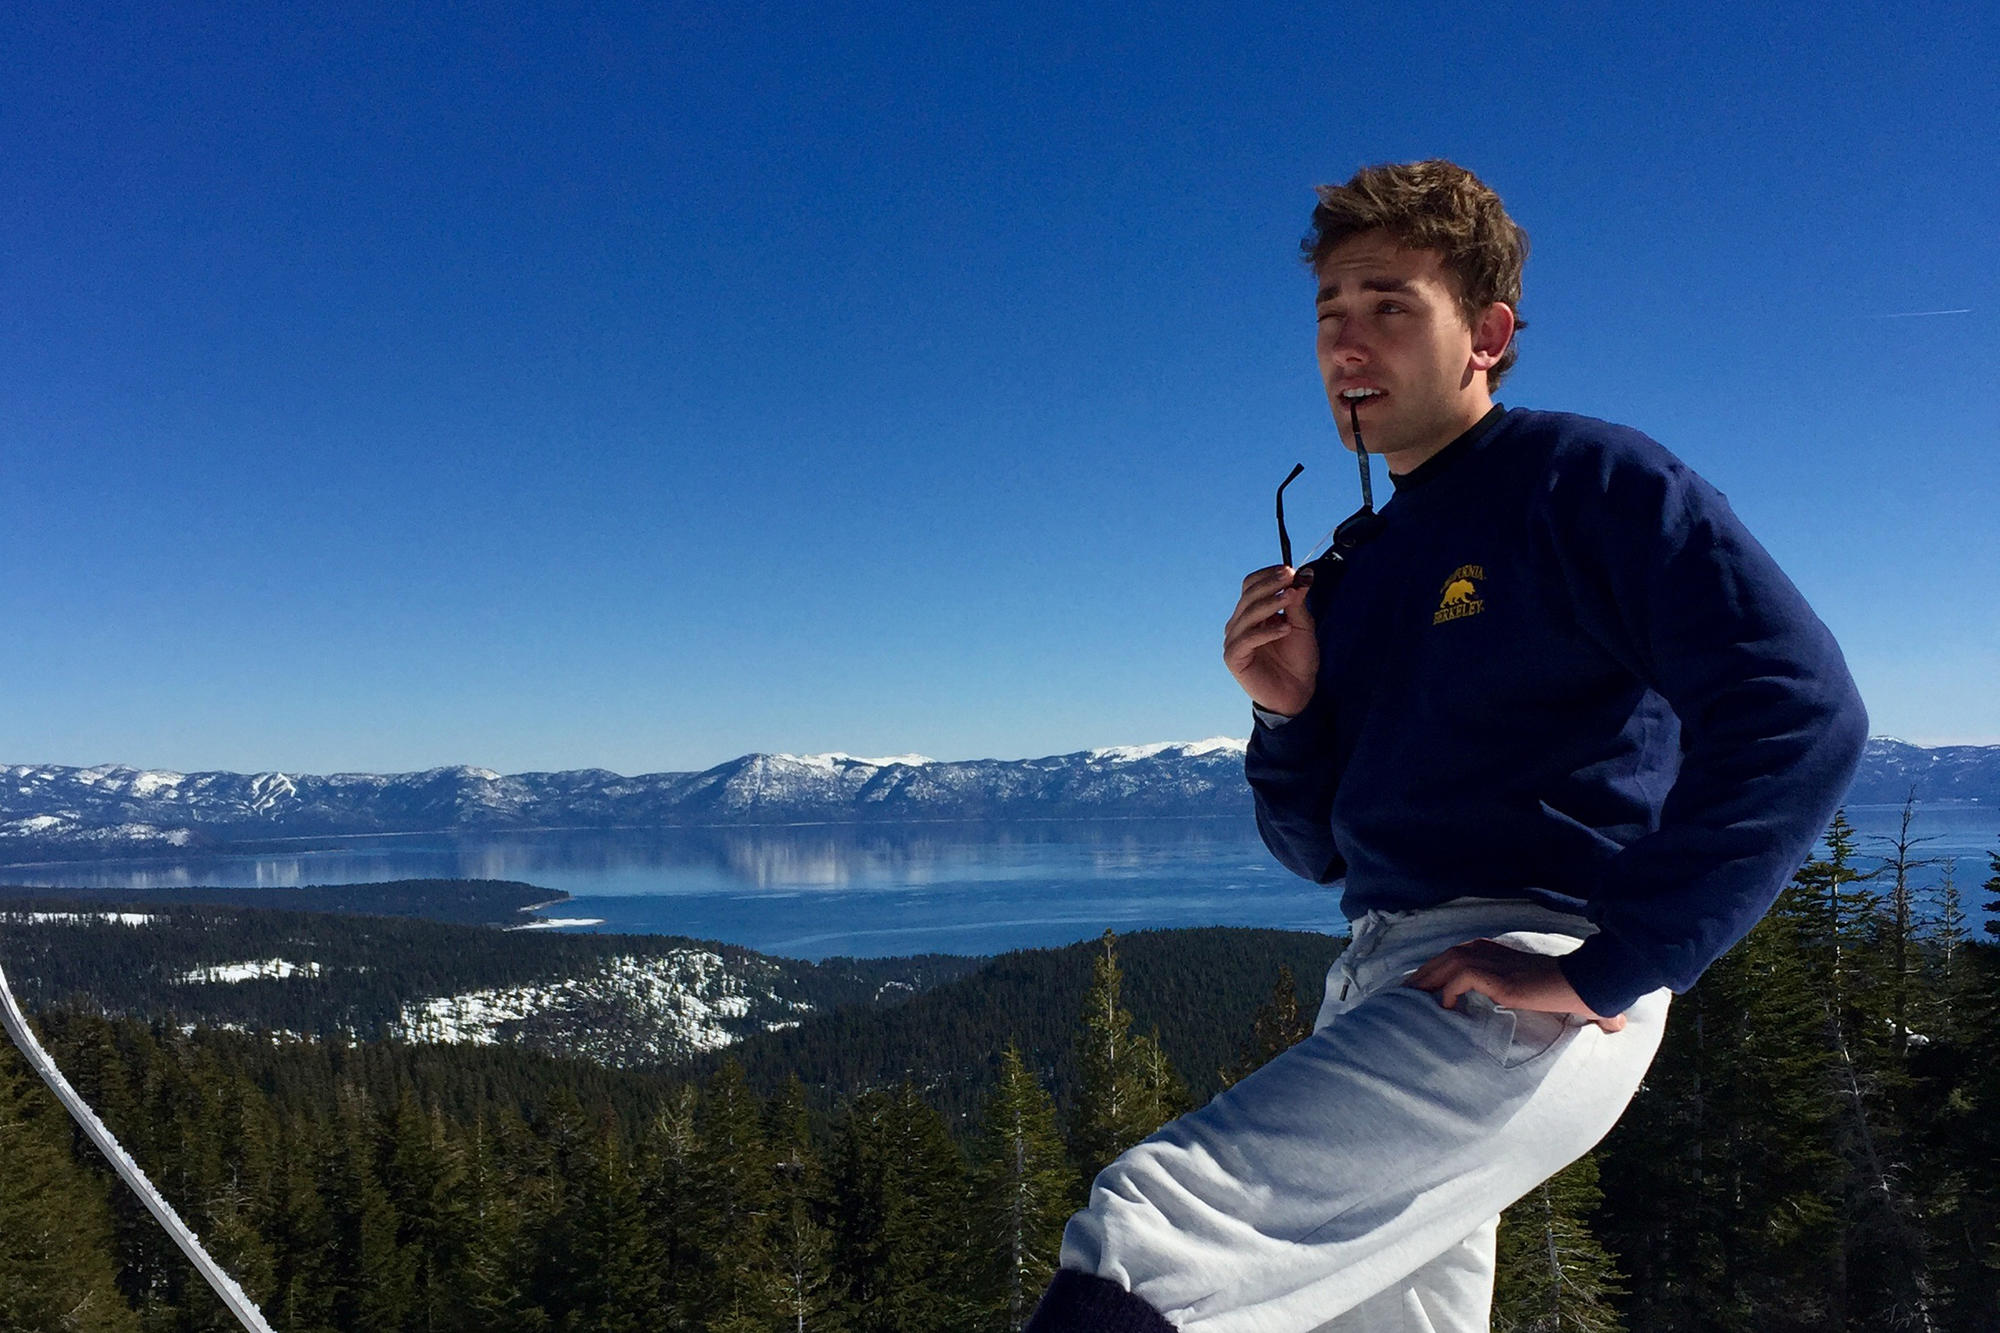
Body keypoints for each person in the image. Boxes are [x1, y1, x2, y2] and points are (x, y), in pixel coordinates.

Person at [1023, 160, 1868, 1332]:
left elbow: (1799, 706)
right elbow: (1316, 847)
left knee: (1146, 1241)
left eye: (1387, 306)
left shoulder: (1582, 480)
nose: (1346, 343)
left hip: (1528, 969)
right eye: (1329, 315)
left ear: (1485, 332)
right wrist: (1283, 711)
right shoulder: (1356, 567)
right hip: (1384, 976)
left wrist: (1608, 962)